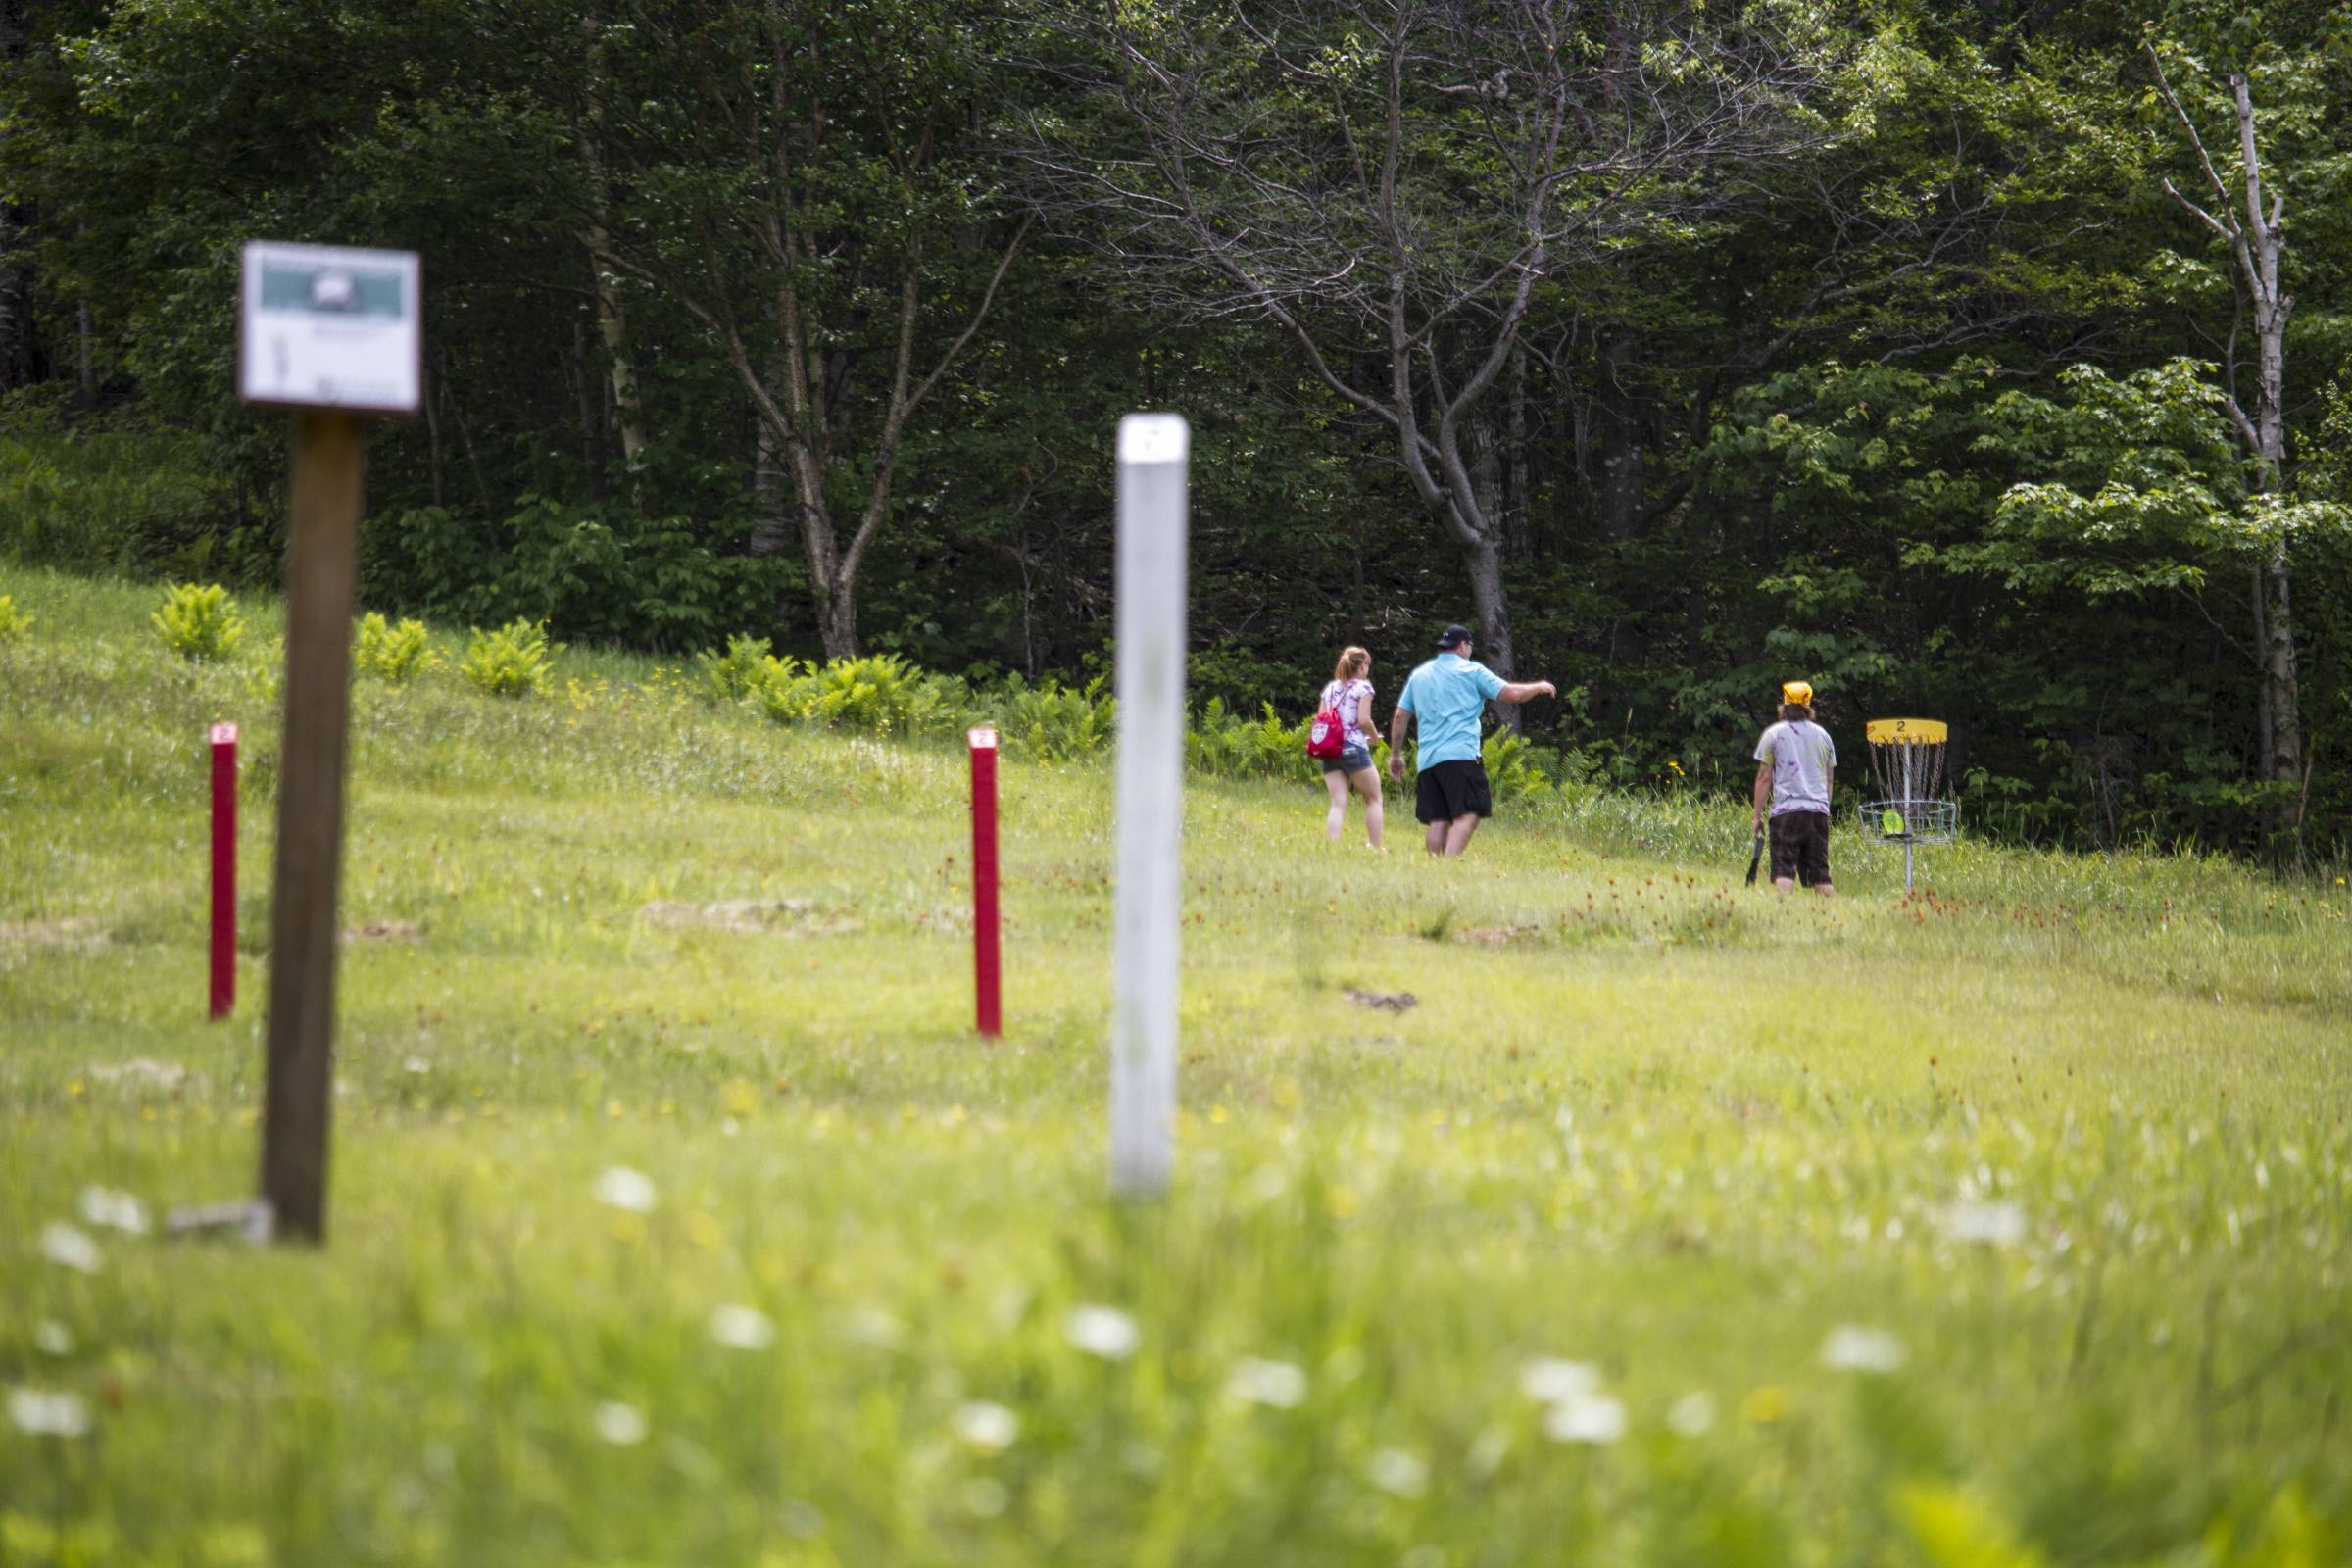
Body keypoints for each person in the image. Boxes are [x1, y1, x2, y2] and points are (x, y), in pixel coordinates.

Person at [1387, 623, 1556, 857]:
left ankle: (1433, 868)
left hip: (1427, 760)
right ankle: (1449, 863)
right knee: (1469, 813)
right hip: (1461, 755)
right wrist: (1539, 686)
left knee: (1438, 819)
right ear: (1463, 646)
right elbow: (1513, 694)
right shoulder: (1472, 671)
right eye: (1470, 646)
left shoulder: (1419, 675)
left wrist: (1395, 755)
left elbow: (1400, 716)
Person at [1752, 679, 1836, 896]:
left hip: (1786, 812)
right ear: (1808, 705)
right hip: (1818, 812)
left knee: (1784, 870)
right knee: (1821, 874)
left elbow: (1764, 776)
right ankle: (1829, 914)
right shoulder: (1824, 737)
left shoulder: (1774, 734)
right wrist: (1823, 807)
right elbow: (1828, 779)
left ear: (1784, 703)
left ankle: (1783, 912)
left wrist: (1757, 816)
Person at [1316, 646, 1385, 848]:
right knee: (1374, 799)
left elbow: (1320, 719)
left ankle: (1332, 845)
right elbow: (1363, 720)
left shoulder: (1329, 689)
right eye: (1367, 665)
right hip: (1353, 747)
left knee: (1337, 802)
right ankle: (1375, 847)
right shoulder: (1363, 688)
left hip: (1330, 749)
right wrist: (1374, 737)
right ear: (1362, 666)